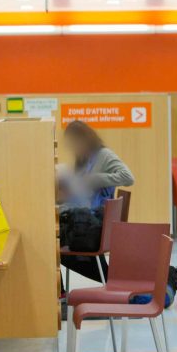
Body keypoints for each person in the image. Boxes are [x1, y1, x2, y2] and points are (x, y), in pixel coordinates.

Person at [59, 120, 135, 283]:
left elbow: (128, 178)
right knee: (55, 242)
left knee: (51, 247)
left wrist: (94, 179)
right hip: (84, 221)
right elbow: (81, 193)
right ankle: (113, 280)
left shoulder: (104, 155)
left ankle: (113, 280)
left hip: (94, 225)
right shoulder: (82, 161)